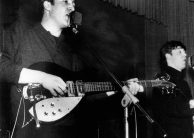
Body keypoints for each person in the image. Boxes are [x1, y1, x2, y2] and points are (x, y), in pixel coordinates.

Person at [0, 0, 143, 138]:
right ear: (48, 5)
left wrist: (118, 87)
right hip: (30, 130)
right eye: (66, 2)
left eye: (73, 3)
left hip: (67, 131)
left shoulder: (73, 49)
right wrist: (42, 78)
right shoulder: (20, 33)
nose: (72, 7)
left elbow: (80, 95)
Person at [151, 40, 194, 138]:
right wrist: (192, 103)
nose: (185, 55)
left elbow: (186, 111)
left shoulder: (183, 83)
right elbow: (168, 107)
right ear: (168, 56)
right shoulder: (161, 80)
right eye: (180, 52)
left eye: (185, 52)